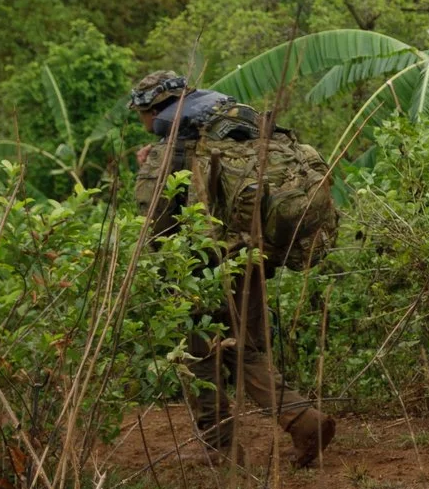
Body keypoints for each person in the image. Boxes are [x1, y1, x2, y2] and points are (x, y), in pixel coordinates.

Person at [129, 70, 335, 468]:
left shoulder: (171, 146)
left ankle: (220, 447)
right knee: (247, 348)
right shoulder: (235, 125)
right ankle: (301, 418)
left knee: (199, 354)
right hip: (250, 254)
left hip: (196, 266)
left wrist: (165, 267)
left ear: (153, 109)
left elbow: (153, 219)